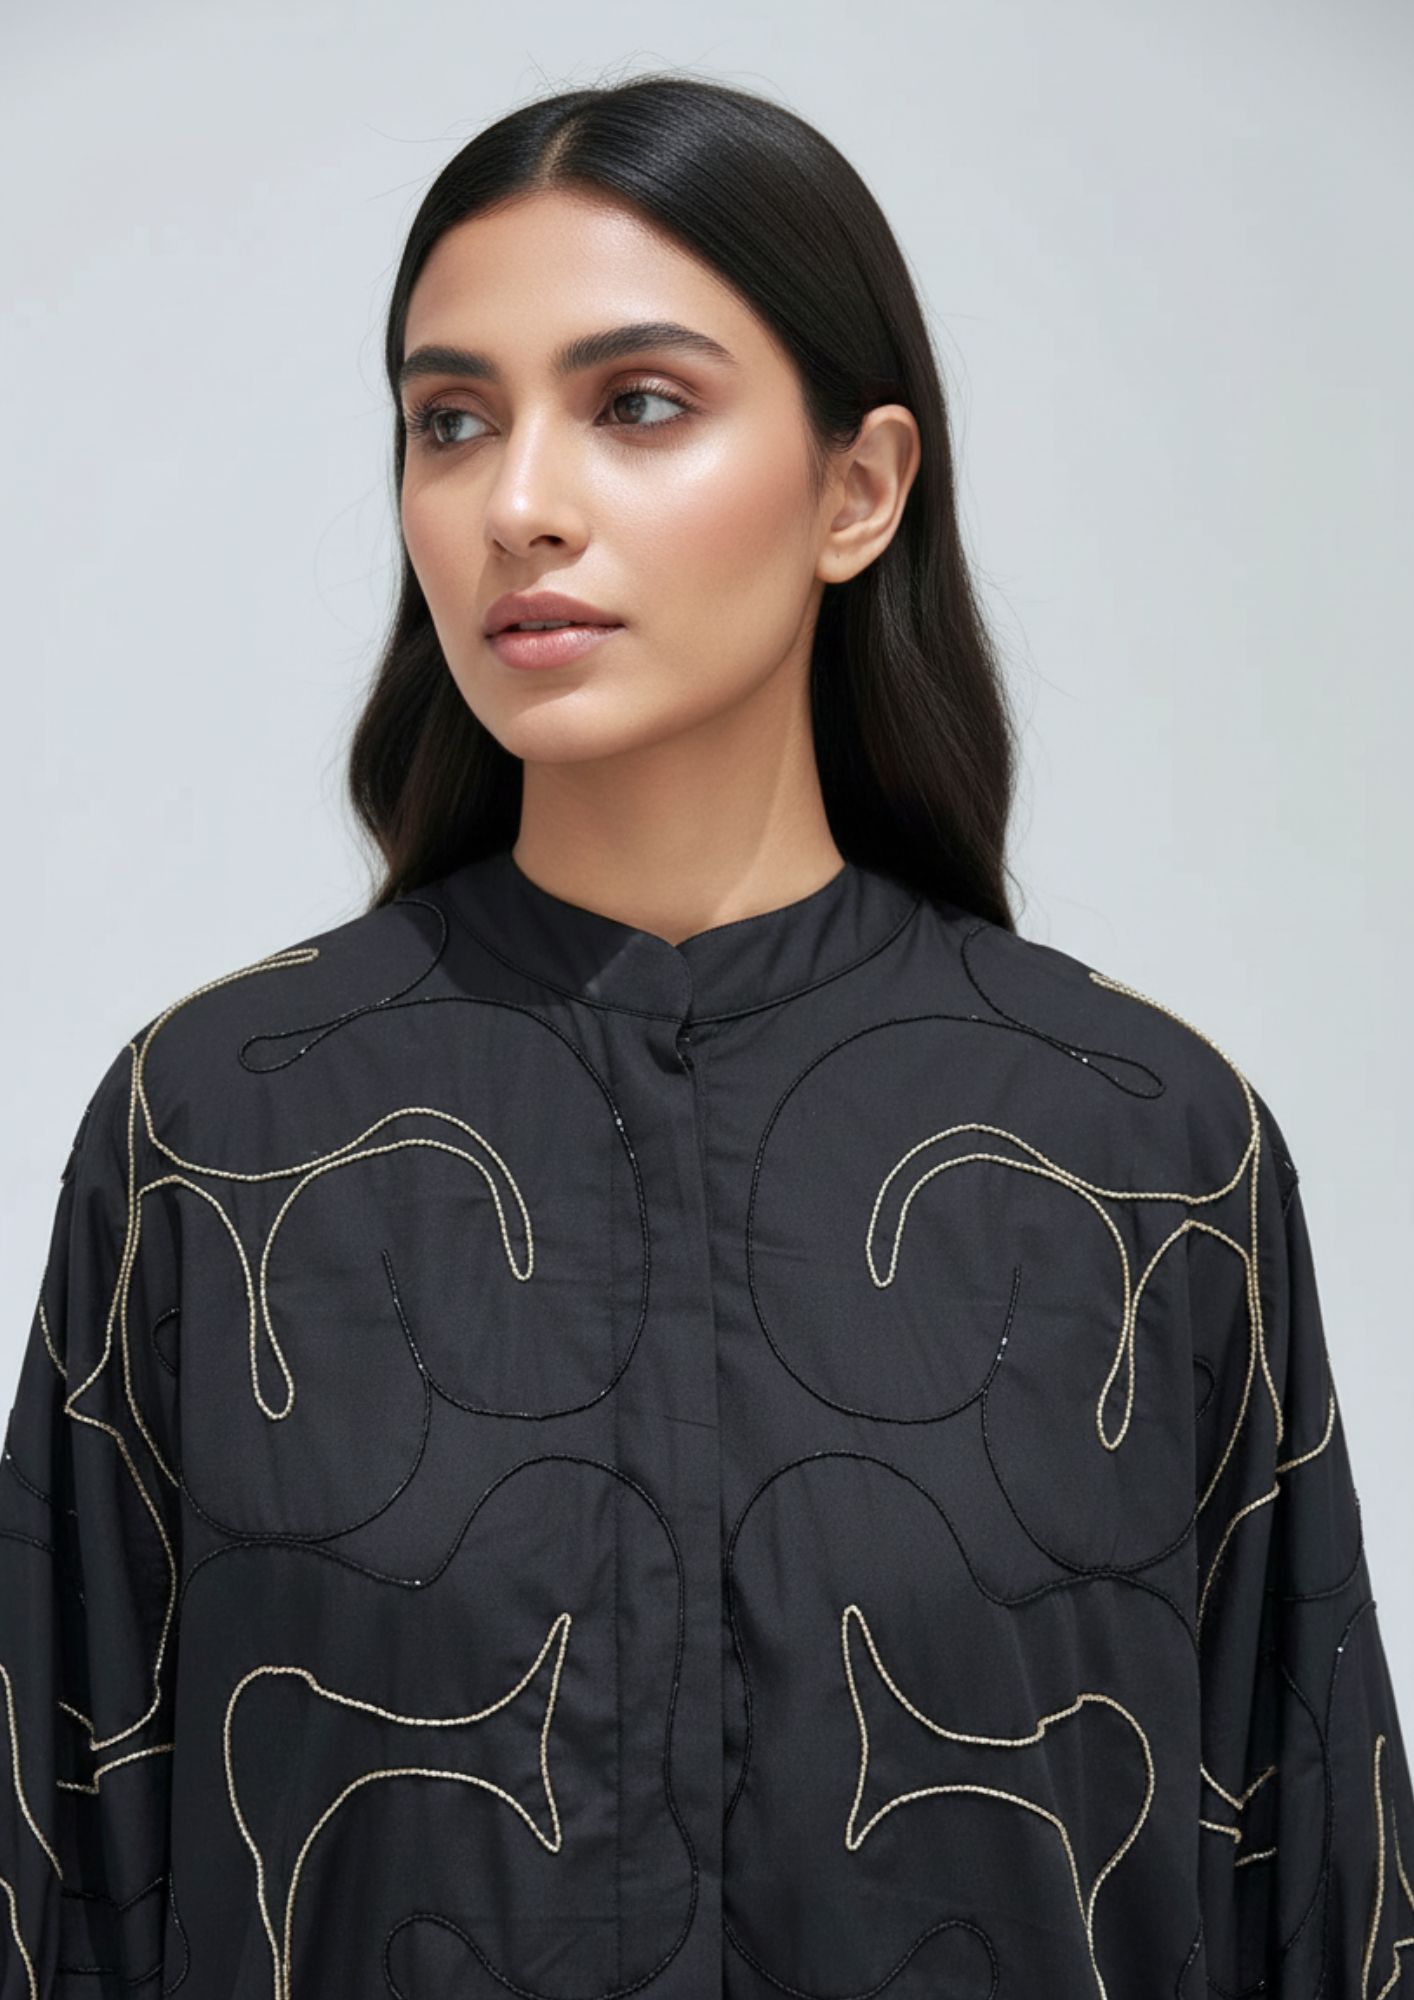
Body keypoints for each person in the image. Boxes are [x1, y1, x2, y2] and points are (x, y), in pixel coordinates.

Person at [3, 72, 1408, 2000]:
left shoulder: (1144, 1155)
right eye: (449, 420)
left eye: (637, 404)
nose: (518, 503)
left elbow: (1312, 1893)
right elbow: (56, 1874)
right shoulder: (222, 1139)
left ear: (858, 490)